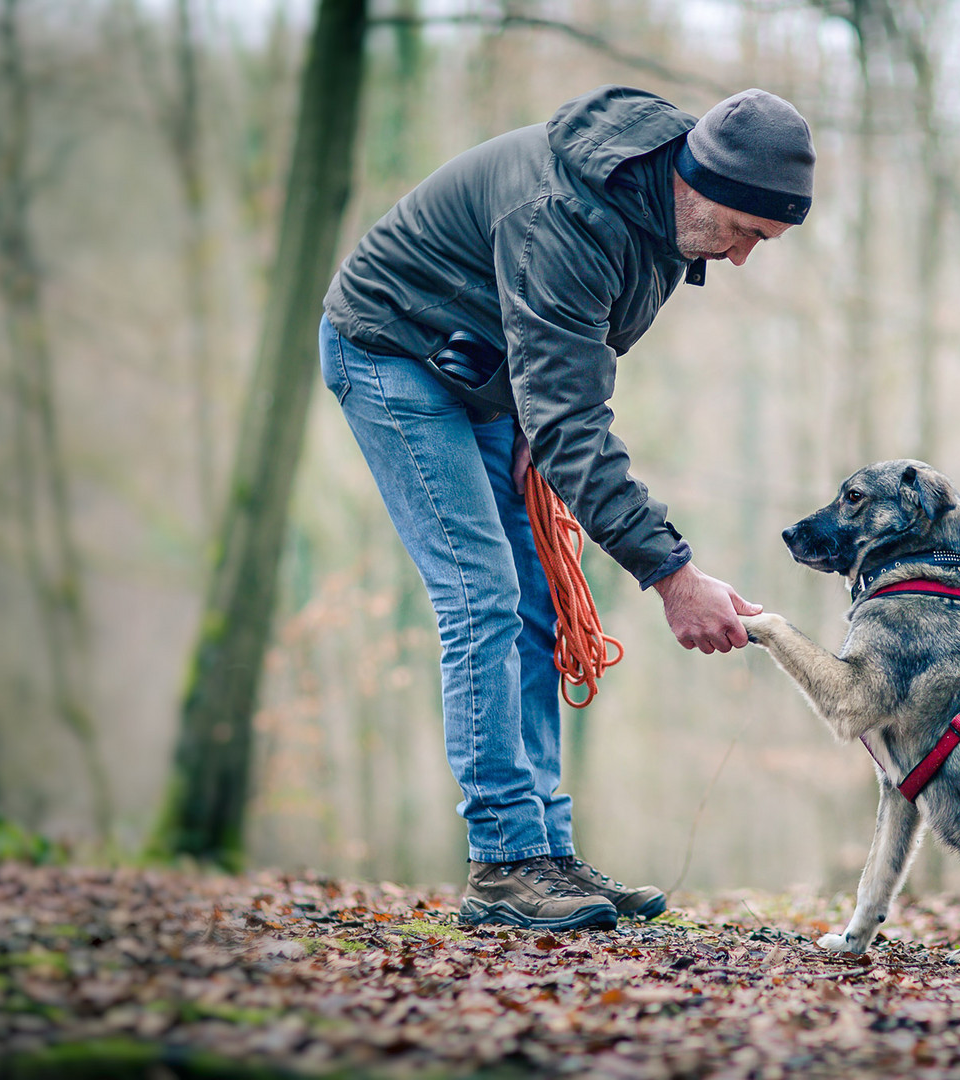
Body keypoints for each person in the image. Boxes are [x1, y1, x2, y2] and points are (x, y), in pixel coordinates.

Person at [318, 85, 816, 931]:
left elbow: (574, 371)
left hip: (483, 376)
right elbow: (573, 419)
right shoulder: (564, 216)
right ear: (707, 182)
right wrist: (672, 575)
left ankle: (545, 849)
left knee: (543, 596)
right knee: (482, 592)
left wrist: (532, 429)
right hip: (392, 352)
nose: (739, 259)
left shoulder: (663, 215)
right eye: (745, 233)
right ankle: (505, 863)